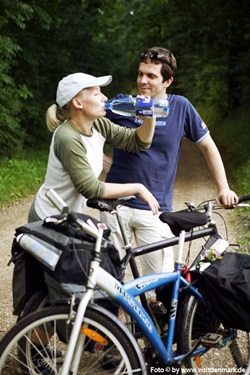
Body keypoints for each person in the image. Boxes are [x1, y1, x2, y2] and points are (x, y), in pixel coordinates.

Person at [100, 46, 238, 288]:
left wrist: (223, 187)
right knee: (108, 286)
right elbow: (84, 126)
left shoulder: (180, 107)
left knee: (159, 289)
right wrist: (100, 162)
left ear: (168, 80)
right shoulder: (122, 104)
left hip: (154, 210)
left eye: (151, 76)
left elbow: (208, 146)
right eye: (141, 73)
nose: (143, 80)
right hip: (114, 207)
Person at [28, 72, 159, 223]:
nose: (104, 98)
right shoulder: (67, 137)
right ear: (78, 103)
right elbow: (90, 188)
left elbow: (137, 142)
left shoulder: (98, 124)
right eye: (97, 93)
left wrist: (150, 117)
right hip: (47, 217)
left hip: (68, 216)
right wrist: (138, 188)